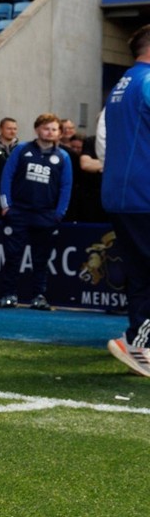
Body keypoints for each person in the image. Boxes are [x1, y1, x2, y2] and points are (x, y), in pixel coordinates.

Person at [102, 24, 150, 378]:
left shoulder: (122, 84)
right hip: (143, 192)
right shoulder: (147, 82)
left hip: (121, 192)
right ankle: (138, 342)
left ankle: (139, 343)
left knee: (140, 272)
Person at [0, 113, 71, 311]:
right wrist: (6, 206)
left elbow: (66, 187)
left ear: (59, 133)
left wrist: (59, 213)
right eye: (46, 128)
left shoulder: (63, 157)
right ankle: (9, 294)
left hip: (46, 215)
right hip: (19, 212)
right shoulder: (21, 150)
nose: (50, 132)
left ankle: (38, 296)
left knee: (41, 258)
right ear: (37, 129)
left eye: (54, 129)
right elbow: (7, 177)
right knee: (12, 256)